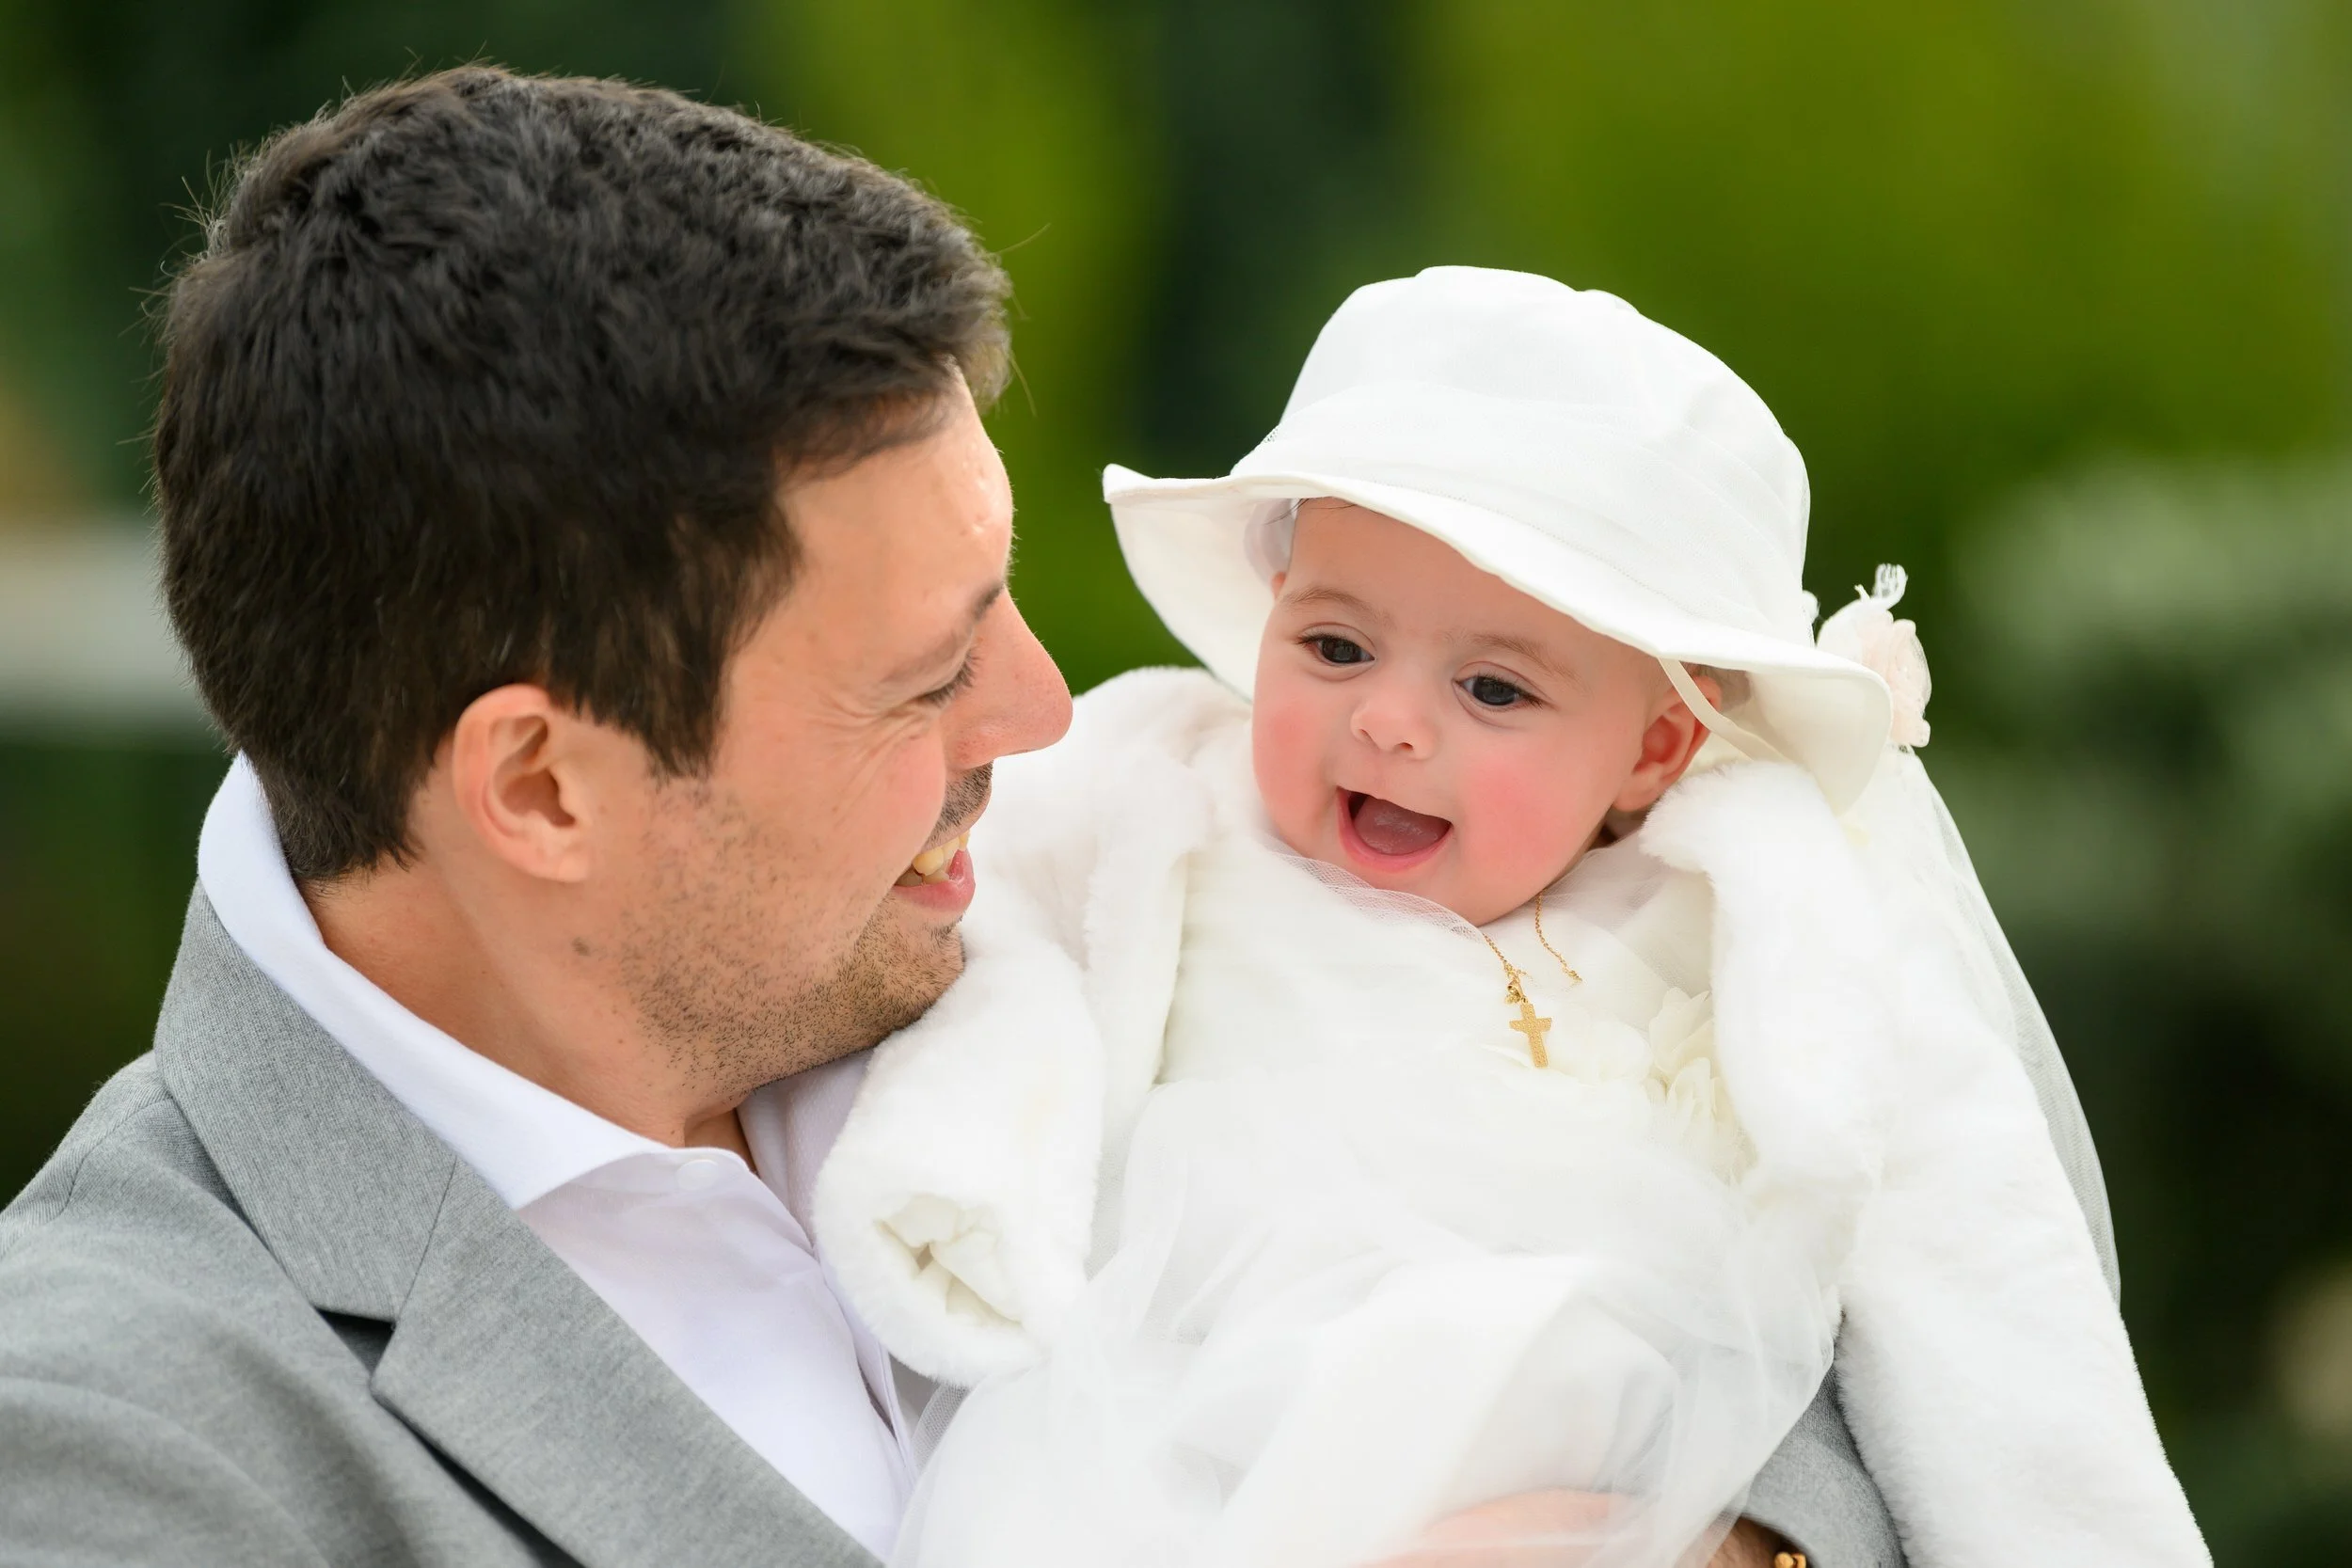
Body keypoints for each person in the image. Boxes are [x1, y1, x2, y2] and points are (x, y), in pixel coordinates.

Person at [0, 71, 1882, 1568]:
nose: (1045, 711)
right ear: (542, 785)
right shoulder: (120, 1445)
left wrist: (1717, 1540)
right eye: (925, 674)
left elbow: (1711, 1229)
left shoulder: (1062, 893)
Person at [814, 270, 2211, 1566]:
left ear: (1658, 752)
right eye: (1335, 645)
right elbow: (1011, 953)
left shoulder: (1763, 894)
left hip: (1601, 1441)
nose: (1390, 720)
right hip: (1187, 1414)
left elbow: (1983, 1275)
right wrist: (959, 1189)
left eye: (1495, 690)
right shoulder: (1168, 776)